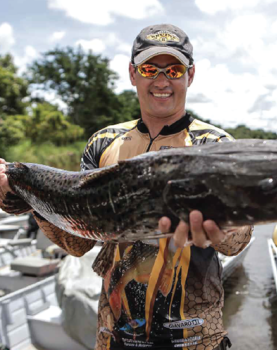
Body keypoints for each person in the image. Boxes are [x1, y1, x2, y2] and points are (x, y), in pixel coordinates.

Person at [0, 24, 253, 350]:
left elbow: (239, 240)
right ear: (133, 74)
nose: (162, 81)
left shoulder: (215, 145)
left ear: (190, 76)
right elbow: (78, 243)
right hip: (114, 336)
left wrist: (224, 231)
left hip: (196, 337)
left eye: (173, 69)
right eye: (150, 68)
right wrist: (20, 197)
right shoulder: (102, 143)